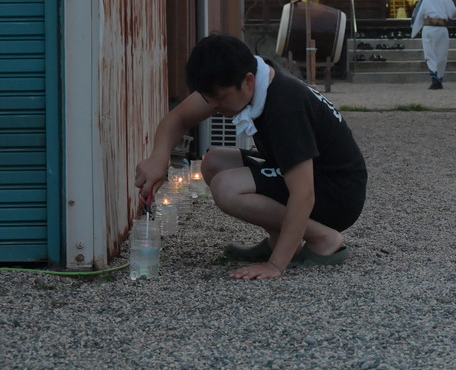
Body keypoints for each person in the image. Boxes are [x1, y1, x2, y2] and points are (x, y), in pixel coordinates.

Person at [134, 34, 367, 280]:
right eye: (207, 98)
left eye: (220, 98)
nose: (213, 106)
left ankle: (323, 239)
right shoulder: (246, 72)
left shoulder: (285, 108)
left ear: (248, 81)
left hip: (336, 194)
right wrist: (159, 159)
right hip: (310, 177)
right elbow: (178, 118)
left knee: (227, 187)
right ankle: (279, 238)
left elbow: (304, 193)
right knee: (214, 162)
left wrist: (275, 265)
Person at [410, 0, 456, 90]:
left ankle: (434, 78)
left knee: (429, 53)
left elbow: (419, 13)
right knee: (441, 54)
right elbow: (453, 11)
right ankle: (439, 77)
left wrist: (416, 28)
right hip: (441, 28)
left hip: (428, 27)